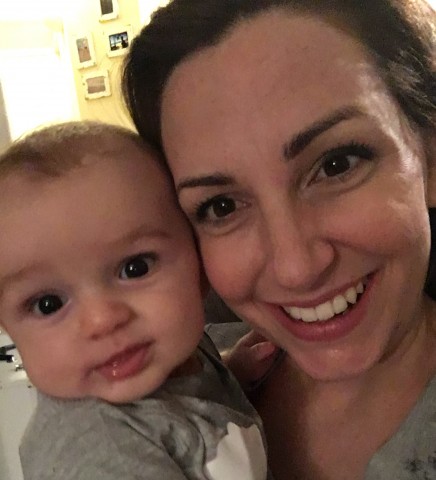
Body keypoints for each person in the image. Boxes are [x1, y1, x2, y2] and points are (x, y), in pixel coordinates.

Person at [122, 1, 436, 479]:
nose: (296, 268)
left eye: (336, 165)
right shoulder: (167, 390)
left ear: (429, 157)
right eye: (221, 207)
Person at [0, 121, 274, 480]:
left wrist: (232, 372)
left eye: (135, 268)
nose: (102, 319)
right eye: (48, 304)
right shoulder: (99, 450)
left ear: (198, 260)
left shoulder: (180, 347)